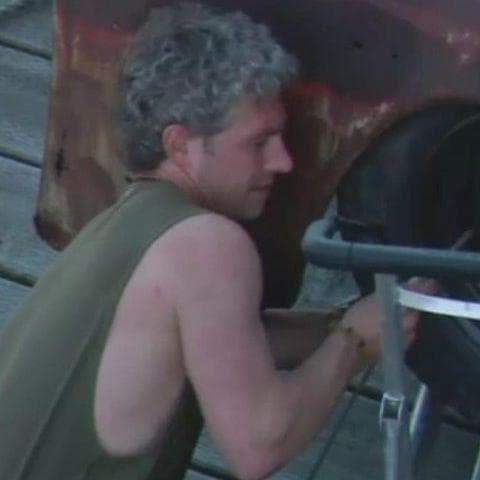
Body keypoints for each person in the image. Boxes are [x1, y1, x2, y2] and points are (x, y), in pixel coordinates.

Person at [0, 3, 422, 480]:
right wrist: (353, 344)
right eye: (259, 142)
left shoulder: (127, 224)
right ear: (180, 145)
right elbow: (258, 444)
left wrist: (343, 323)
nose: (283, 161)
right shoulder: (206, 244)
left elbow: (234, 343)